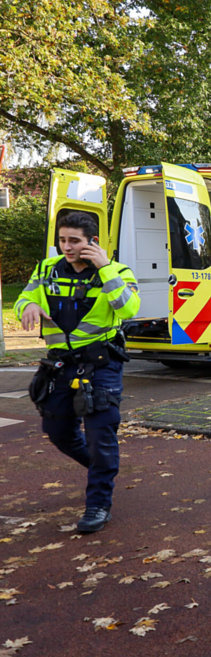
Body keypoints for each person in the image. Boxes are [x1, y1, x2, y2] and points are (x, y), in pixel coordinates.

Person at [15, 212, 140, 533]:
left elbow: (128, 308)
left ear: (92, 242)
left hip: (101, 364)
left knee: (101, 435)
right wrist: (27, 306)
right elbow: (24, 298)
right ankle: (101, 467)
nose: (67, 247)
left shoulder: (117, 271)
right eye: (62, 240)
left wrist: (105, 267)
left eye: (74, 241)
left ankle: (98, 503)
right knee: (57, 431)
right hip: (60, 364)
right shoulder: (47, 269)